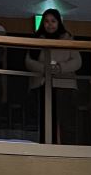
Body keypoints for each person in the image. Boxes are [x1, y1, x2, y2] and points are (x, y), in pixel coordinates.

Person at [25, 8, 82, 144]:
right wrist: (46, 69)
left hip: (64, 85)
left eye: (53, 21)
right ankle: (45, 147)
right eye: (46, 21)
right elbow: (28, 62)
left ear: (59, 23)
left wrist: (60, 67)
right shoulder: (36, 40)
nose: (49, 24)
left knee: (66, 121)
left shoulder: (68, 39)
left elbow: (77, 61)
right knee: (44, 120)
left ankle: (67, 150)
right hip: (42, 85)